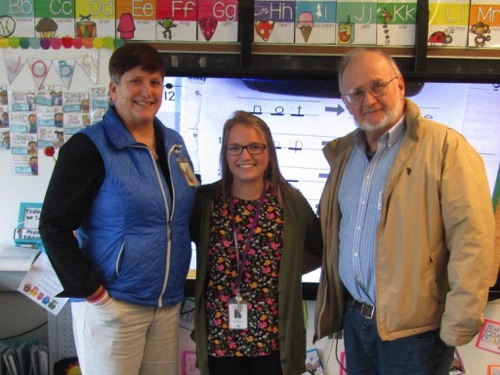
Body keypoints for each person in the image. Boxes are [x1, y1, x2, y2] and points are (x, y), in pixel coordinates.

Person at [314, 48, 496, 374]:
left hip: (417, 334)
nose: (368, 100)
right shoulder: (345, 157)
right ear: (345, 102)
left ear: (399, 84)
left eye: (377, 86)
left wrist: (459, 321)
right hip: (357, 322)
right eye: (356, 93)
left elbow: (474, 240)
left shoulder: (446, 148)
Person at [39, 43, 197, 375]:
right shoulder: (89, 147)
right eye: (136, 81)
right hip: (114, 305)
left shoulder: (174, 145)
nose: (147, 91)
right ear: (114, 89)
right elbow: (53, 226)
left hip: (165, 306)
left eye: (155, 82)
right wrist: (94, 294)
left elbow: (182, 216)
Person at [190, 111, 323, 375]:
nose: (245, 156)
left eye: (255, 147)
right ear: (225, 154)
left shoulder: (290, 201)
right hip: (220, 337)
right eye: (235, 147)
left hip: (274, 339)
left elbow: (320, 247)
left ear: (269, 152)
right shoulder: (206, 202)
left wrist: (286, 271)